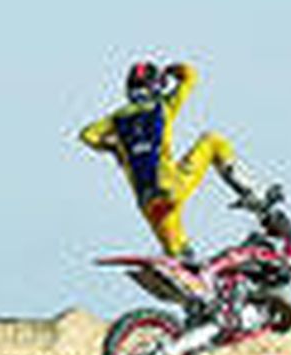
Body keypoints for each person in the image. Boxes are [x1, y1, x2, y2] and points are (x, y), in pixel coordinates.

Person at [78, 59, 266, 262]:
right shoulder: (163, 106)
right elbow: (190, 77)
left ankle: (189, 269)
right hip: (170, 187)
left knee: (178, 252)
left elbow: (87, 135)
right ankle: (252, 194)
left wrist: (113, 148)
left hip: (147, 201)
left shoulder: (115, 119)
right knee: (212, 141)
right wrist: (173, 69)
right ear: (154, 85)